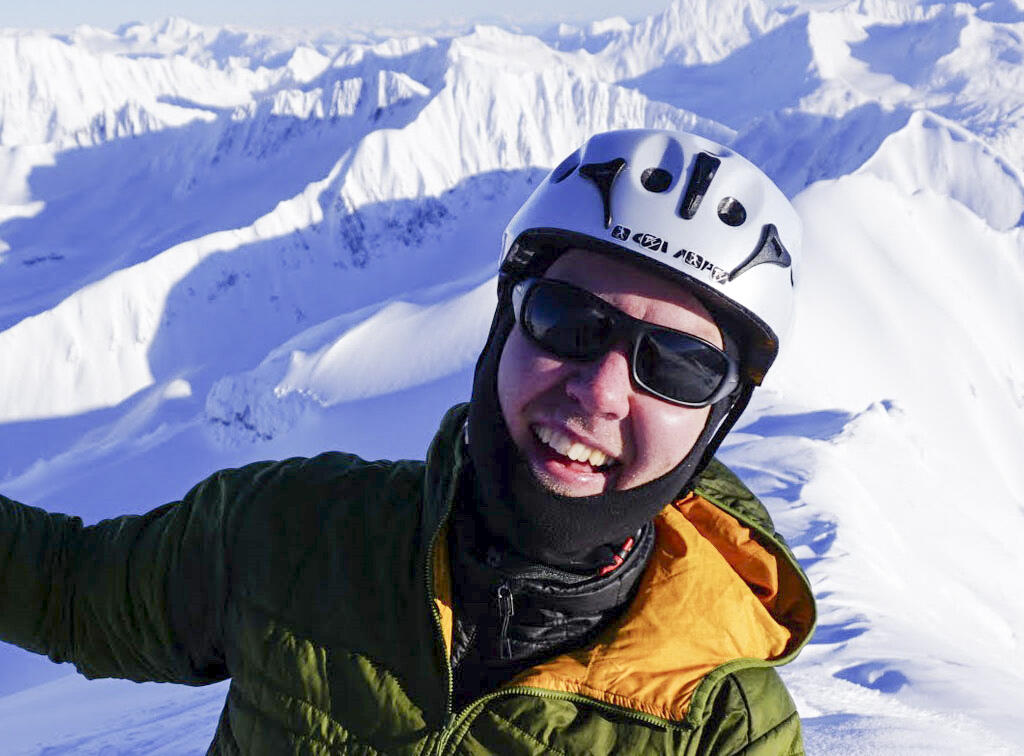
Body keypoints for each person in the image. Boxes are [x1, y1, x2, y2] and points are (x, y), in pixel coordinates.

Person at [0, 129, 816, 755]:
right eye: (569, 321)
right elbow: (68, 589)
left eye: (675, 367)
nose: (600, 390)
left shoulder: (724, 728)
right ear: (504, 327)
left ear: (719, 419)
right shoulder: (293, 530)